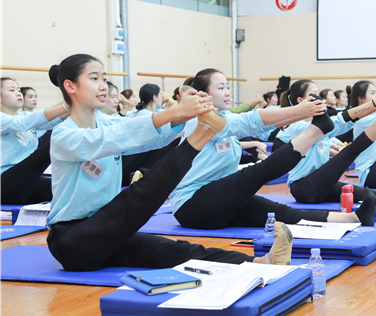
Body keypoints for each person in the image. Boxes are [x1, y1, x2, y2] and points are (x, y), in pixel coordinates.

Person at [46, 54, 293, 272]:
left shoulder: (107, 124)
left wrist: (183, 115)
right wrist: (177, 111)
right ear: (70, 86)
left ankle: (259, 263)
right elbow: (114, 137)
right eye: (94, 78)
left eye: (104, 78)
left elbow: (149, 137)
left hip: (110, 232)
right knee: (139, 193)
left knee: (176, 251)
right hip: (73, 241)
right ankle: (201, 135)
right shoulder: (63, 135)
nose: (103, 86)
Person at [169, 69, 376, 230]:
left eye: (228, 87)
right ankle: (316, 130)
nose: (227, 92)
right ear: (203, 94)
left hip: (217, 200)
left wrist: (297, 113)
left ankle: (352, 218)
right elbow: (249, 121)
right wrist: (298, 111)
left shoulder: (223, 121)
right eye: (221, 87)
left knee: (277, 212)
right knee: (252, 174)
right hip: (193, 206)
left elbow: (260, 123)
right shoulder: (200, 121)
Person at [282, 79, 376, 204]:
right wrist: (375, 103)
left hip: (320, 183)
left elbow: (348, 122)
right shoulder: (298, 127)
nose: (321, 100)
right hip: (304, 188)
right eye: (315, 94)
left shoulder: (317, 125)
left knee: (365, 194)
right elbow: (339, 121)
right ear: (301, 101)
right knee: (352, 150)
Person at [1, 77, 69, 204]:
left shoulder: (24, 116)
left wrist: (74, 101)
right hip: (4, 183)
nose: (18, 93)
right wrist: (67, 106)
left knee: (66, 188)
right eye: (12, 90)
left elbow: (52, 120)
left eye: (19, 90)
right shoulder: (4, 119)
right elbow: (24, 123)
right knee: (55, 141)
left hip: (27, 182)